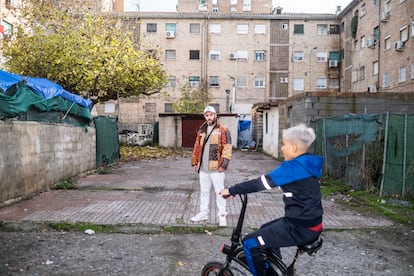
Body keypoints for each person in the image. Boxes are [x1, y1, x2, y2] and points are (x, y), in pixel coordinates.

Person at [220, 123, 323, 276]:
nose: (282, 148)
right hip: (308, 223)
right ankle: (274, 270)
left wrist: (231, 190)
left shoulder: (293, 168)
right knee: (264, 229)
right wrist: (260, 179)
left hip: (299, 227)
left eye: (284, 145)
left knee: (250, 243)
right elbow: (284, 181)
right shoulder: (306, 164)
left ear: (294, 148)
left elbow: (259, 184)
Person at [191, 106, 232, 227]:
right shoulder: (201, 130)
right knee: (204, 191)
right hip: (203, 168)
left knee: (220, 192)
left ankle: (222, 216)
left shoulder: (223, 130)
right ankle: (203, 213)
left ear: (215, 115)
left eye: (211, 115)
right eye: (207, 115)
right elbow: (196, 147)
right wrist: (195, 162)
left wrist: (223, 164)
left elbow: (227, 148)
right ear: (205, 116)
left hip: (216, 169)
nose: (209, 117)